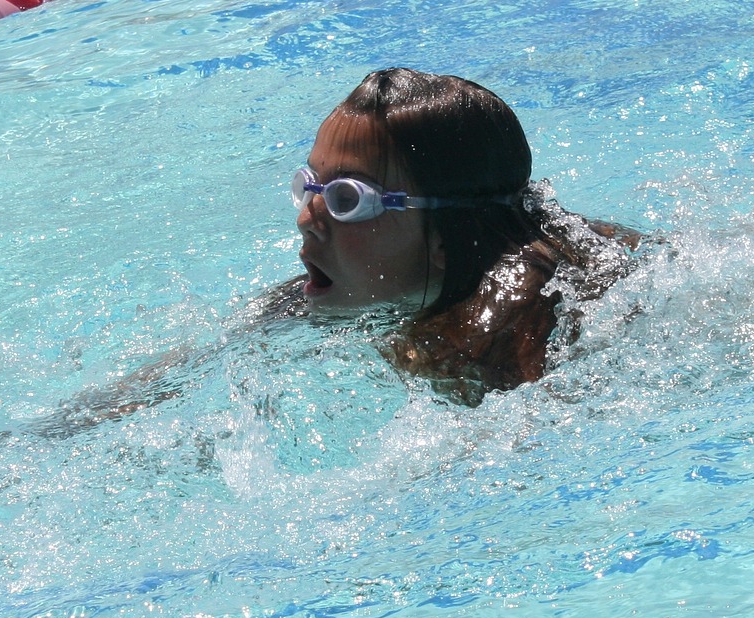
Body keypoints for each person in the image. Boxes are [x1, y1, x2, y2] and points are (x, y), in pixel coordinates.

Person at [253, 67, 641, 404]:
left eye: (347, 198)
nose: (306, 219)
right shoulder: (306, 296)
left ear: (444, 240)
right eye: (310, 186)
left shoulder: (509, 347)